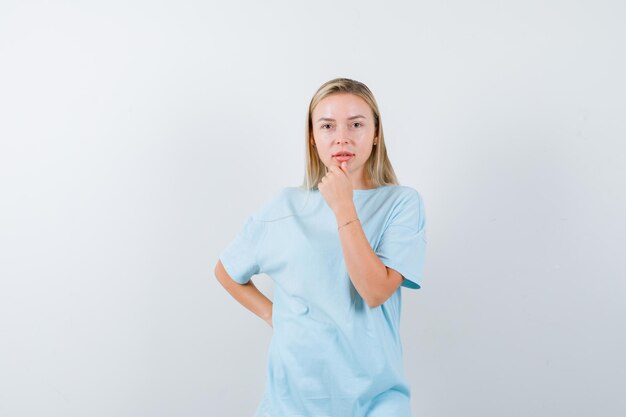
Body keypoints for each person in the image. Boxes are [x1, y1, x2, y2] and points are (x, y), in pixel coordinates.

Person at [214, 77, 427, 417]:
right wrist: (274, 315)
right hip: (290, 404)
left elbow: (374, 292)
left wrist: (344, 206)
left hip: (376, 402)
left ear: (375, 134)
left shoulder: (401, 204)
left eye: (356, 124)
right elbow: (226, 272)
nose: (342, 136)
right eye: (328, 125)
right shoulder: (284, 206)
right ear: (313, 138)